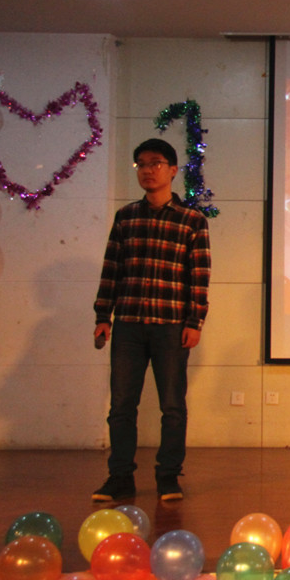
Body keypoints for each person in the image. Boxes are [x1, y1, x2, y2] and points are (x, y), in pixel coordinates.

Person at [92, 138, 211, 502]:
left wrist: (194, 321)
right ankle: (120, 477)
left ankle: (168, 476)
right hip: (128, 323)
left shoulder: (192, 220)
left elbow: (199, 276)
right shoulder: (126, 217)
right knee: (121, 406)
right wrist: (103, 315)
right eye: (141, 164)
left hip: (171, 325)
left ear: (173, 170)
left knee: (172, 406)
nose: (147, 170)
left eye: (155, 163)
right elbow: (112, 268)